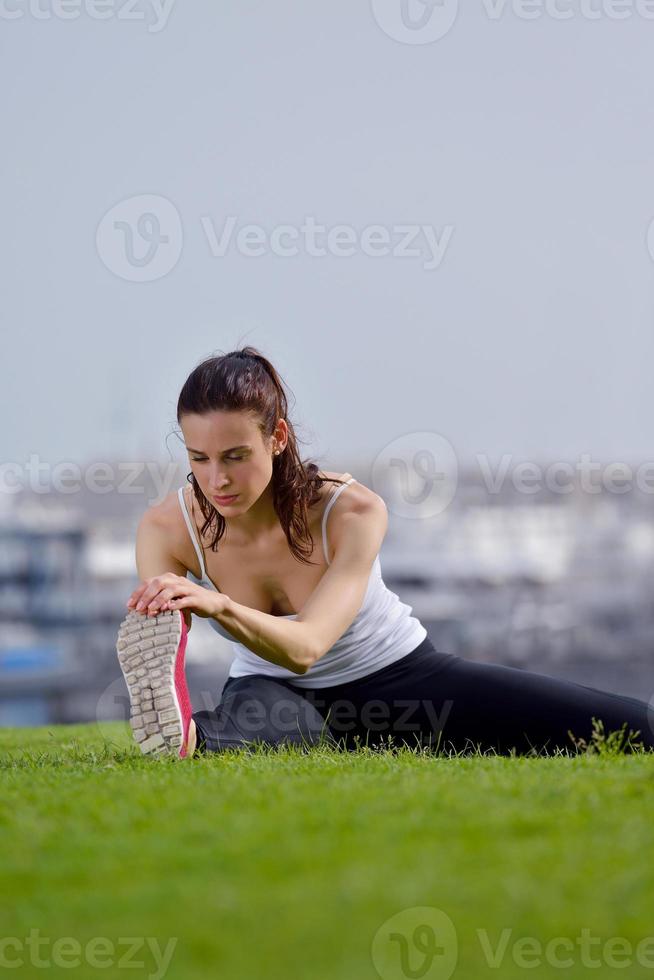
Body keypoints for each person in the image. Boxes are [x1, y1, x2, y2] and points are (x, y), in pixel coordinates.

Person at [116, 347, 654, 760]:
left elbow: (307, 648)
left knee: (632, 728)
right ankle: (190, 735)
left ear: (277, 437)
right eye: (199, 458)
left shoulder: (352, 511)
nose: (218, 479)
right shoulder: (167, 528)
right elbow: (169, 641)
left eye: (236, 455)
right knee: (245, 726)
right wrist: (167, 620)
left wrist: (219, 605)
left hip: (401, 681)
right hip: (276, 691)